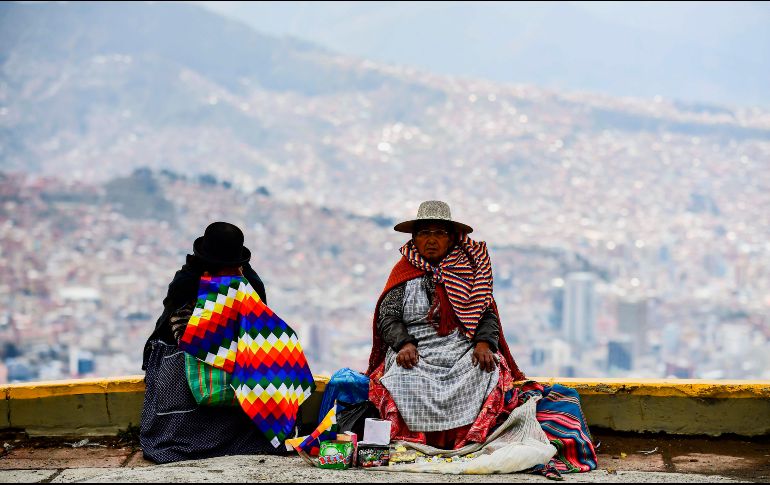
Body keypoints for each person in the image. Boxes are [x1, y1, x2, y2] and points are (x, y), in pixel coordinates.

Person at [366, 201, 527, 450]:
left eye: (439, 233)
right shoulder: (403, 272)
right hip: (415, 348)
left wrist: (484, 343)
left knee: (485, 370)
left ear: (451, 238)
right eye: (424, 233)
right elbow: (387, 317)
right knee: (401, 376)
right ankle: (413, 442)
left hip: (459, 347)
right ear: (414, 238)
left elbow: (485, 313)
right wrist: (403, 344)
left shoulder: (468, 272)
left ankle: (466, 441)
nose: (431, 240)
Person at [140, 221, 279, 463]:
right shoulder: (188, 281)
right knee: (179, 377)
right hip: (181, 350)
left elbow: (258, 323)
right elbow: (174, 327)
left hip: (233, 350)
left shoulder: (249, 283)